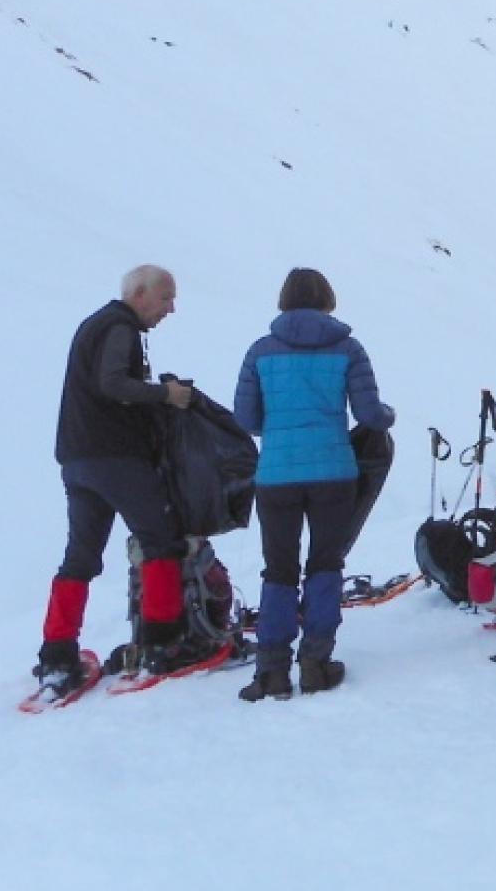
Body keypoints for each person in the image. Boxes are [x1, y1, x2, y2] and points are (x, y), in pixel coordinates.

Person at [33, 265, 196, 700]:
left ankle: (57, 652)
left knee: (80, 556)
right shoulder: (120, 327)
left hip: (77, 459)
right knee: (160, 539)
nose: (170, 309)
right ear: (139, 294)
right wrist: (166, 395)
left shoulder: (93, 325)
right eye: (165, 298)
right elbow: (113, 385)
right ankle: (163, 642)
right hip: (116, 457)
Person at [233, 268, 395, 701]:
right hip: (333, 473)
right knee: (325, 565)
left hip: (277, 475)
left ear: (283, 301)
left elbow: (245, 421)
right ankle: (316, 664)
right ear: (328, 301)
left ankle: (271, 670)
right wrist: (388, 416)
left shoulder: (259, 351)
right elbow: (370, 416)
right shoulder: (348, 349)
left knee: (279, 569)